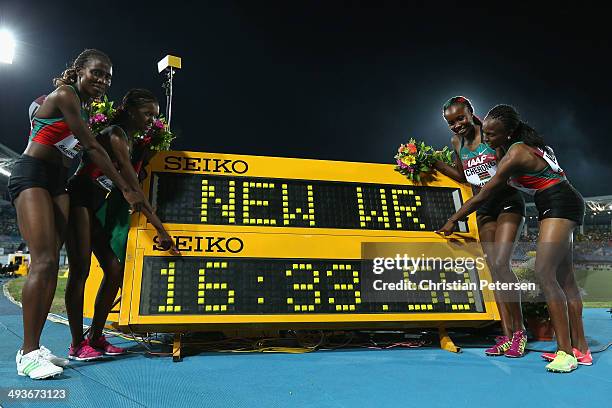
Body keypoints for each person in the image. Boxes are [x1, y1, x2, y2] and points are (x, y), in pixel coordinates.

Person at [9, 49, 146, 380]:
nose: (102, 81)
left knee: (53, 263)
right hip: (32, 173)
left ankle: (36, 348)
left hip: (58, 182)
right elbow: (93, 148)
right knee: (42, 261)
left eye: (108, 77)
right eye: (96, 73)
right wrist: (125, 186)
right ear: (79, 71)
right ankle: (27, 353)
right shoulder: (66, 95)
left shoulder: (84, 107)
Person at [437, 104, 590, 373]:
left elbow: (484, 194)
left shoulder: (514, 152)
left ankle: (565, 353)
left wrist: (453, 220)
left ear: (507, 133)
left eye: (492, 135)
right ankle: (582, 350)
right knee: (566, 279)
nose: (486, 140)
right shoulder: (519, 145)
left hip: (559, 201)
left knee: (544, 272)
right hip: (554, 201)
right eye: (485, 134)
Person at [65, 89, 179, 361]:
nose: (152, 119)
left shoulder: (132, 142)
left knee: (114, 270)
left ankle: (95, 336)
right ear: (129, 109)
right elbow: (131, 187)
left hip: (96, 206)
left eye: (155, 116)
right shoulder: (115, 135)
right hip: (79, 198)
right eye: (147, 113)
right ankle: (77, 344)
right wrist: (162, 232)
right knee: (80, 270)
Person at [433, 97, 527, 357]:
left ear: (471, 113)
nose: (457, 125)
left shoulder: (491, 136)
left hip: (507, 202)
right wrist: (434, 163)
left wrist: (455, 218)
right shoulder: (457, 142)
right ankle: (507, 336)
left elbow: (504, 175)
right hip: (484, 210)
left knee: (501, 263)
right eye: (451, 122)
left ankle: (520, 333)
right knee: (494, 271)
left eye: (460, 118)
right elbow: (464, 176)